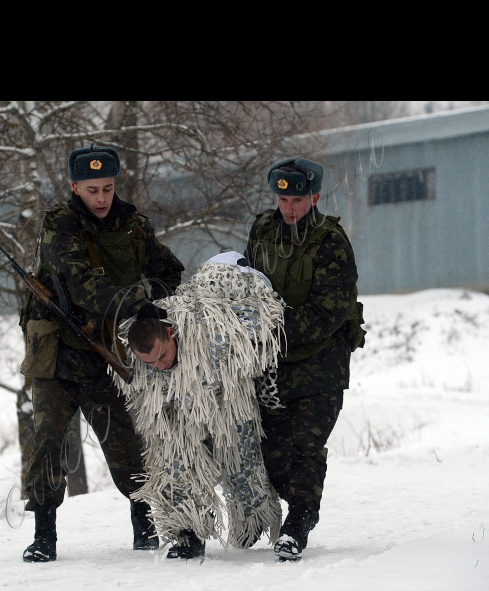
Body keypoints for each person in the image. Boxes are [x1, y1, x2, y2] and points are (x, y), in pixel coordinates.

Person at [19, 143, 185, 563]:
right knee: (47, 443)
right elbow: (81, 286)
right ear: (75, 187)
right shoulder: (60, 224)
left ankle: (145, 527)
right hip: (56, 354)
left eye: (108, 188)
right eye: (91, 189)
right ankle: (44, 535)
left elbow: (169, 271)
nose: (101, 198)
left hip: (103, 356)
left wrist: (155, 307)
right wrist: (136, 304)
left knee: (127, 444)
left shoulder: (133, 226)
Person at [114, 252, 285, 559]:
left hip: (228, 401)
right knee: (176, 464)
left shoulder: (215, 331)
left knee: (242, 463)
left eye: (163, 357)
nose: (159, 367)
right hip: (180, 411)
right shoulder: (143, 353)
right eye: (149, 363)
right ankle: (187, 534)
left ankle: (253, 523)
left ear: (171, 332)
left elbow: (264, 320)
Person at [244, 157, 366, 561]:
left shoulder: (330, 242)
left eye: (297, 199)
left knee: (305, 447)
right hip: (271, 367)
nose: (289, 208)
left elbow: (328, 312)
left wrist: (274, 328)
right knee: (274, 457)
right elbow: (247, 286)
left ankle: (298, 524)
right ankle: (291, 507)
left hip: (320, 364)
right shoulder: (262, 230)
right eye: (282, 199)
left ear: (314, 197)